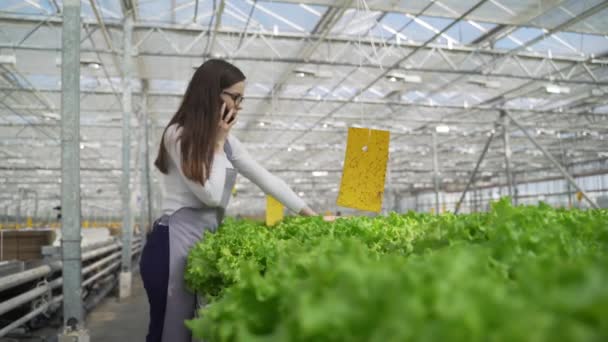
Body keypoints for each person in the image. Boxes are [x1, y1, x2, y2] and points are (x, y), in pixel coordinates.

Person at [139, 59, 317, 342]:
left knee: (188, 333)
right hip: (170, 245)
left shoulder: (228, 143)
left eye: (242, 99)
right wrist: (219, 145)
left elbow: (265, 177)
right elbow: (208, 195)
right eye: (236, 97)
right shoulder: (178, 134)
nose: (240, 105)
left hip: (197, 244)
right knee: (168, 333)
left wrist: (311, 215)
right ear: (212, 94)